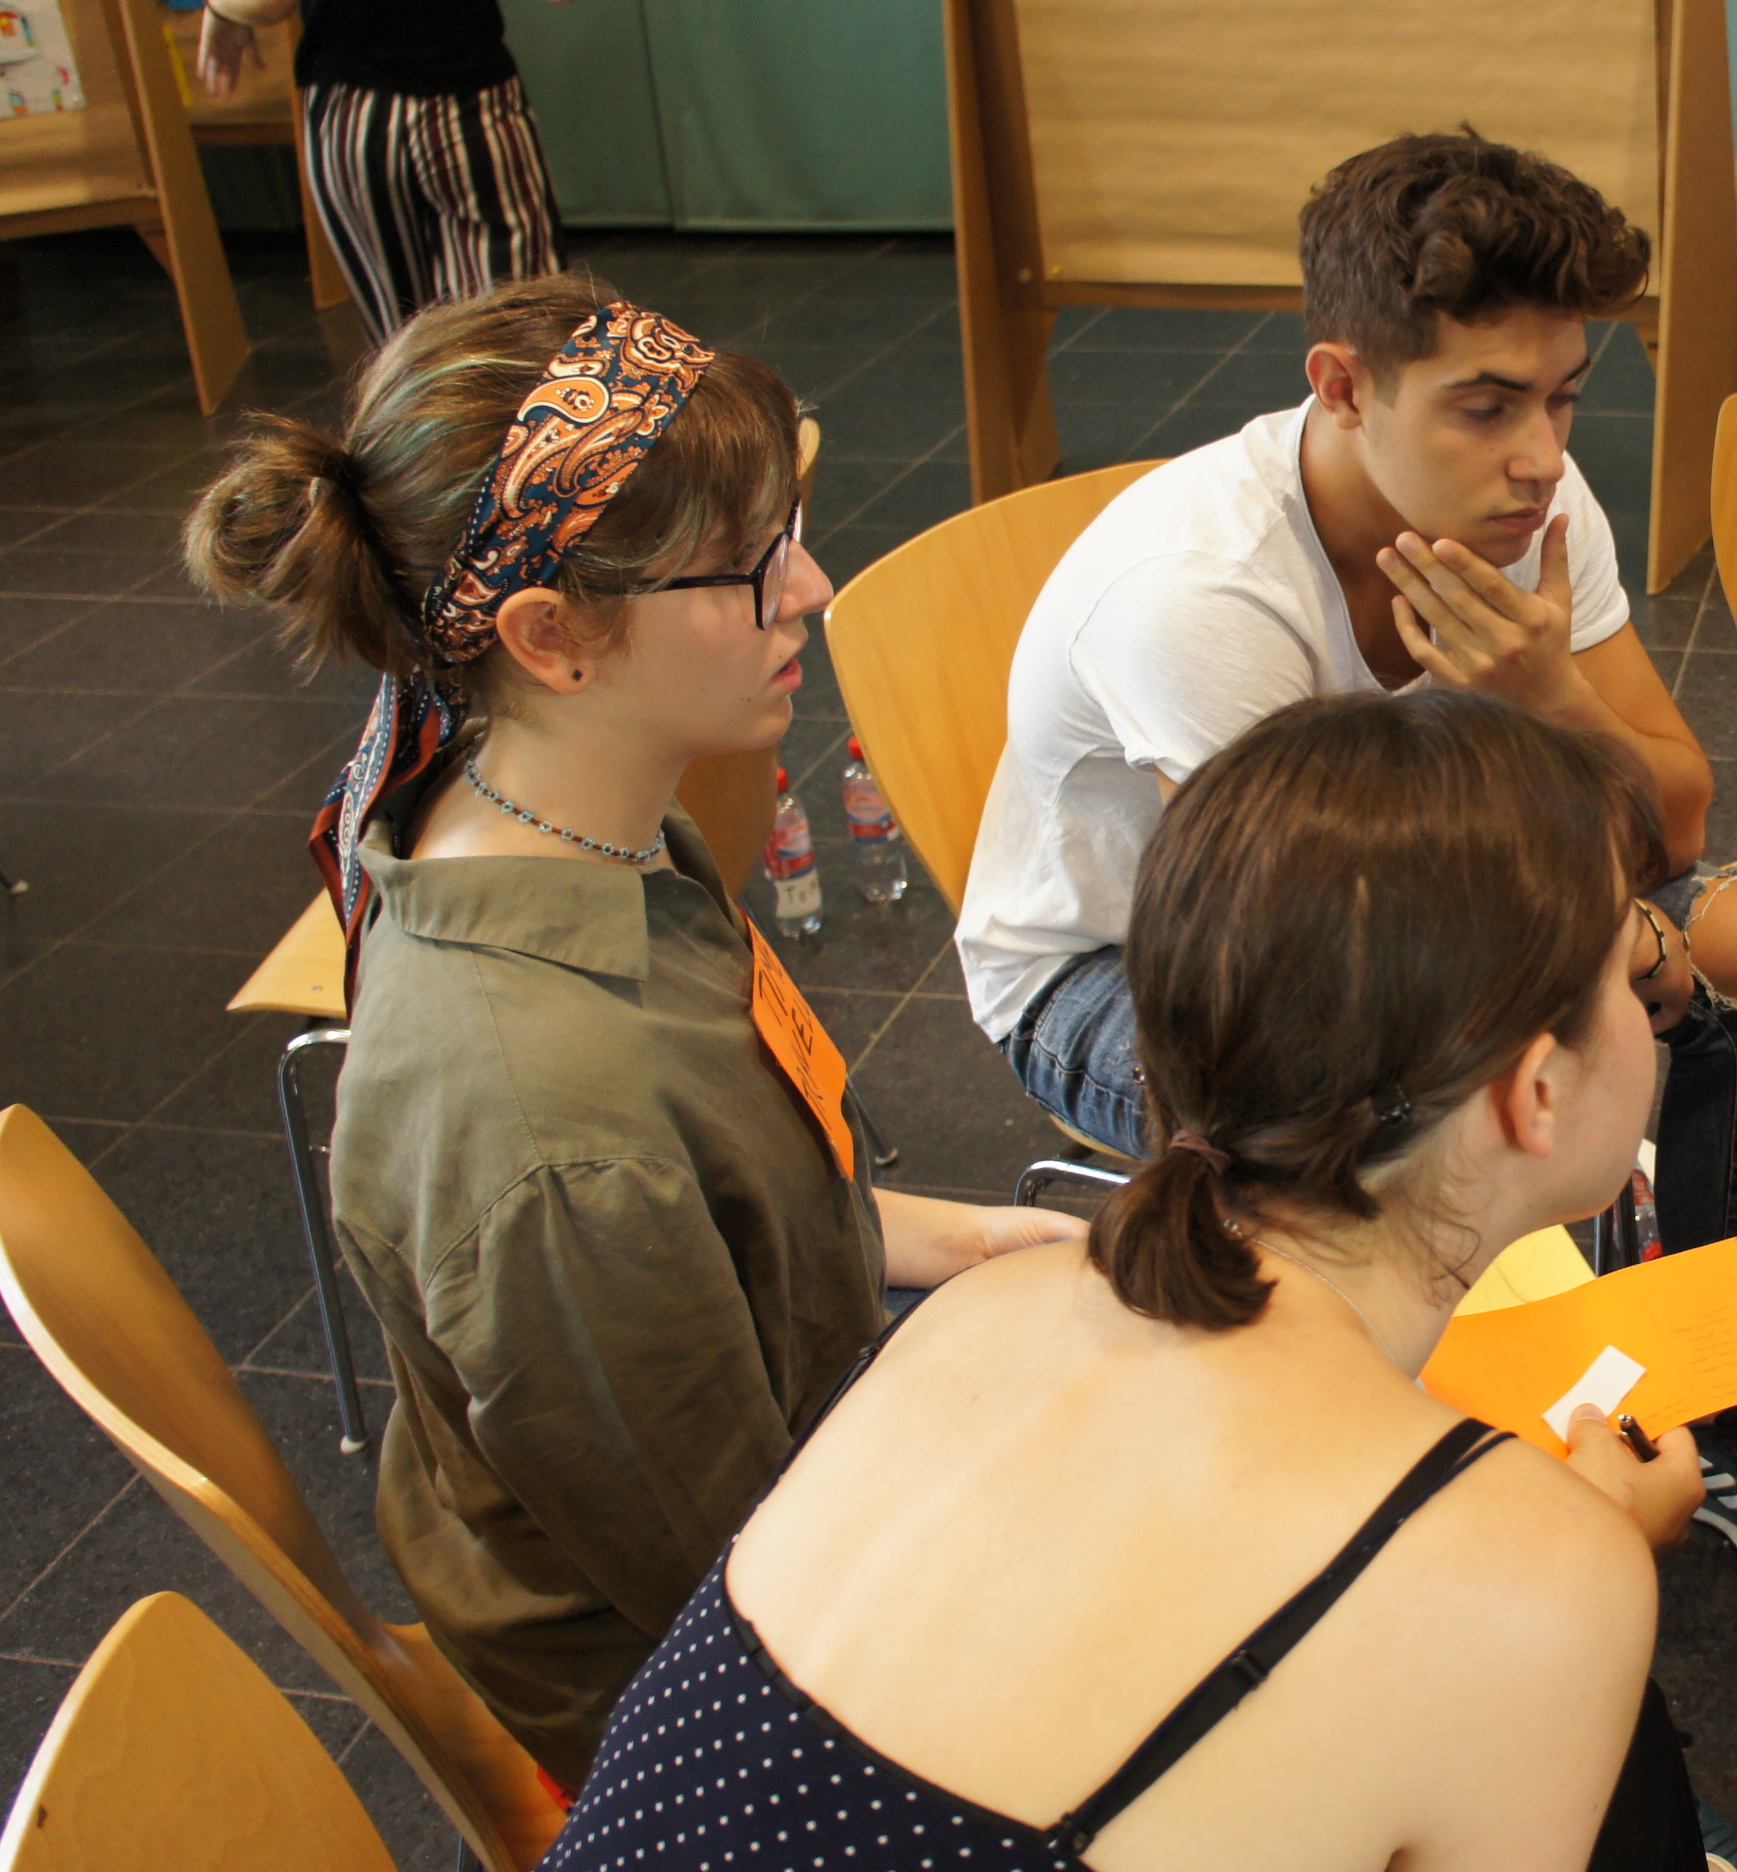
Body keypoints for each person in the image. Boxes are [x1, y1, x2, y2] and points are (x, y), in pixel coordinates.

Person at [539, 690, 1737, 1872]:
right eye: (1625, 968)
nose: (1650, 997)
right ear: (1534, 1092)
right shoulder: (1536, 1577)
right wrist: (1581, 1560)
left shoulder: (986, 1306)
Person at [954, 129, 1737, 1607]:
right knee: (1467, 1111)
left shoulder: (1526, 503)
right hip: (1149, 968)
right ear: (1341, 385)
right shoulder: (1201, 593)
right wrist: (1612, 949)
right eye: (1487, 404)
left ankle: (1694, 1397)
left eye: (1564, 395)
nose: (1542, 452)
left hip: (1456, 879)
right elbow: (1320, 968)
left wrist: (1552, 701)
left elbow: (1676, 815)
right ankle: (1451, 1490)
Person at [183, 277, 1082, 1786]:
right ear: (551, 634)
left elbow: (742, 1226)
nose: (812, 588)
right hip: (702, 1693)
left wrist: (987, 1243)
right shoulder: (558, 1140)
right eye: (751, 567)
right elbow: (740, 1589)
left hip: (782, 1480)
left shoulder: (566, 818)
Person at [195, 0, 564, 345]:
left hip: (354, 114)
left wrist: (226, 11)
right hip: (467, 97)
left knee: (402, 347)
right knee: (519, 336)